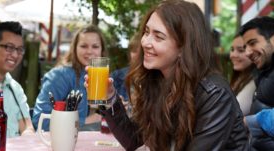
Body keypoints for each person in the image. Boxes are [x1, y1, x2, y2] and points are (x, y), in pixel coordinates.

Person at [86, 0, 249, 150]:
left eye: (158, 37)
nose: (145, 42)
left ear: (183, 47)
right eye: (147, 32)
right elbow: (136, 141)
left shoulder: (214, 94)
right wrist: (109, 98)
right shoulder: (157, 80)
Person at [32, 24, 105, 131]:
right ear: (74, 48)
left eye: (95, 46)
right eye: (84, 46)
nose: (89, 51)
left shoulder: (101, 75)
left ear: (101, 50)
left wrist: (114, 105)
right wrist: (85, 121)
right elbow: (40, 121)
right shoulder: (59, 75)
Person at [239, 16, 274, 151]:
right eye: (245, 47)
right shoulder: (264, 71)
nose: (247, 52)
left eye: (253, 43)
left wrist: (250, 122)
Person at [229, 33, 256, 115]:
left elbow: (233, 114)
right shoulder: (239, 76)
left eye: (240, 50)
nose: (233, 55)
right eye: (232, 49)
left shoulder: (254, 82)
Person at [111, 33, 140, 101]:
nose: (137, 56)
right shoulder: (117, 76)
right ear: (129, 53)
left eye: (141, 52)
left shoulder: (155, 79)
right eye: (134, 51)